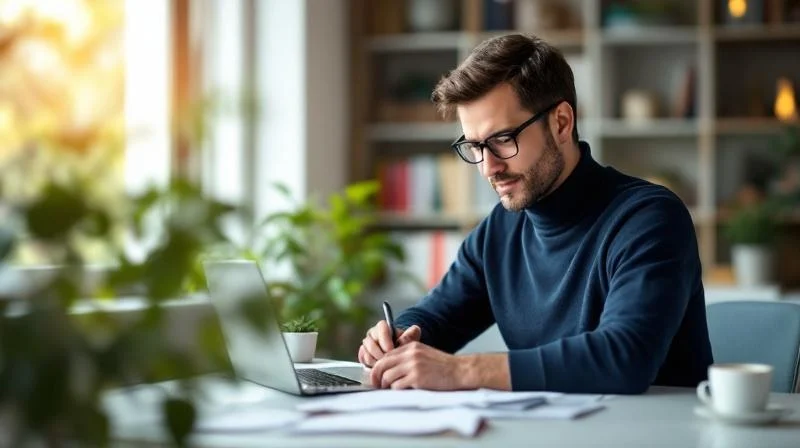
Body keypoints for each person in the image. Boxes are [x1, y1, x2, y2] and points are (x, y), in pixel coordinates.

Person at [357, 33, 713, 394]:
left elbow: (624, 357)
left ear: (561, 123)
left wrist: (462, 371)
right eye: (475, 146)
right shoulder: (500, 229)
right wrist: (397, 338)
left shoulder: (649, 219)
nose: (487, 167)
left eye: (502, 139)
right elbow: (435, 317)